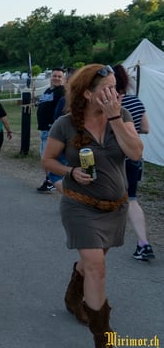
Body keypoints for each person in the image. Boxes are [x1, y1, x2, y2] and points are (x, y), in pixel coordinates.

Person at [42, 64, 143, 348]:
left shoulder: (121, 115)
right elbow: (48, 160)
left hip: (114, 207)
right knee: (97, 267)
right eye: (107, 89)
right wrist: (70, 172)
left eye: (116, 88)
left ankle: (73, 296)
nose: (115, 94)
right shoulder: (65, 124)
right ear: (87, 94)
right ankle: (104, 337)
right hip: (80, 205)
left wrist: (115, 118)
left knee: (91, 264)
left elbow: (135, 152)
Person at [113, 64, 155, 261]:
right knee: (131, 199)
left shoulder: (110, 103)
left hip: (114, 157)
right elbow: (146, 128)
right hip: (134, 156)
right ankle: (143, 243)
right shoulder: (136, 101)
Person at [36, 67, 65, 192]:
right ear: (50, 77)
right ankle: (49, 179)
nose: (56, 78)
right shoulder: (48, 90)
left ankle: (51, 181)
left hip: (52, 129)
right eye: (54, 76)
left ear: (63, 79)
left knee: (48, 157)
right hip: (44, 129)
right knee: (44, 156)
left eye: (59, 76)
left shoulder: (62, 92)